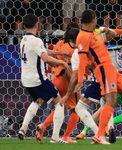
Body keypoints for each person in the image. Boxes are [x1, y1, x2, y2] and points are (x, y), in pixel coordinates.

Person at [65, 9, 122, 144]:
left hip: (111, 69)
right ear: (93, 19)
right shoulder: (82, 36)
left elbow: (107, 30)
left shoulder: (93, 32)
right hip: (103, 70)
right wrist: (80, 80)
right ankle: (99, 135)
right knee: (111, 101)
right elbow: (82, 59)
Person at [18, 13, 71, 143]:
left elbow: (43, 51)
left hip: (25, 80)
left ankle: (23, 129)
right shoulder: (36, 41)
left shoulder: (23, 40)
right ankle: (55, 137)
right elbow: (45, 58)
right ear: (37, 25)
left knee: (38, 101)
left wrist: (59, 53)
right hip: (38, 79)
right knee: (60, 103)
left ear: (24, 26)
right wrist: (62, 62)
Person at [35, 22, 80, 143]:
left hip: (56, 77)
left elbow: (51, 61)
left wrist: (58, 66)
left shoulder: (60, 44)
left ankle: (43, 126)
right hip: (68, 78)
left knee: (61, 108)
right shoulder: (76, 47)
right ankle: (66, 136)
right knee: (76, 108)